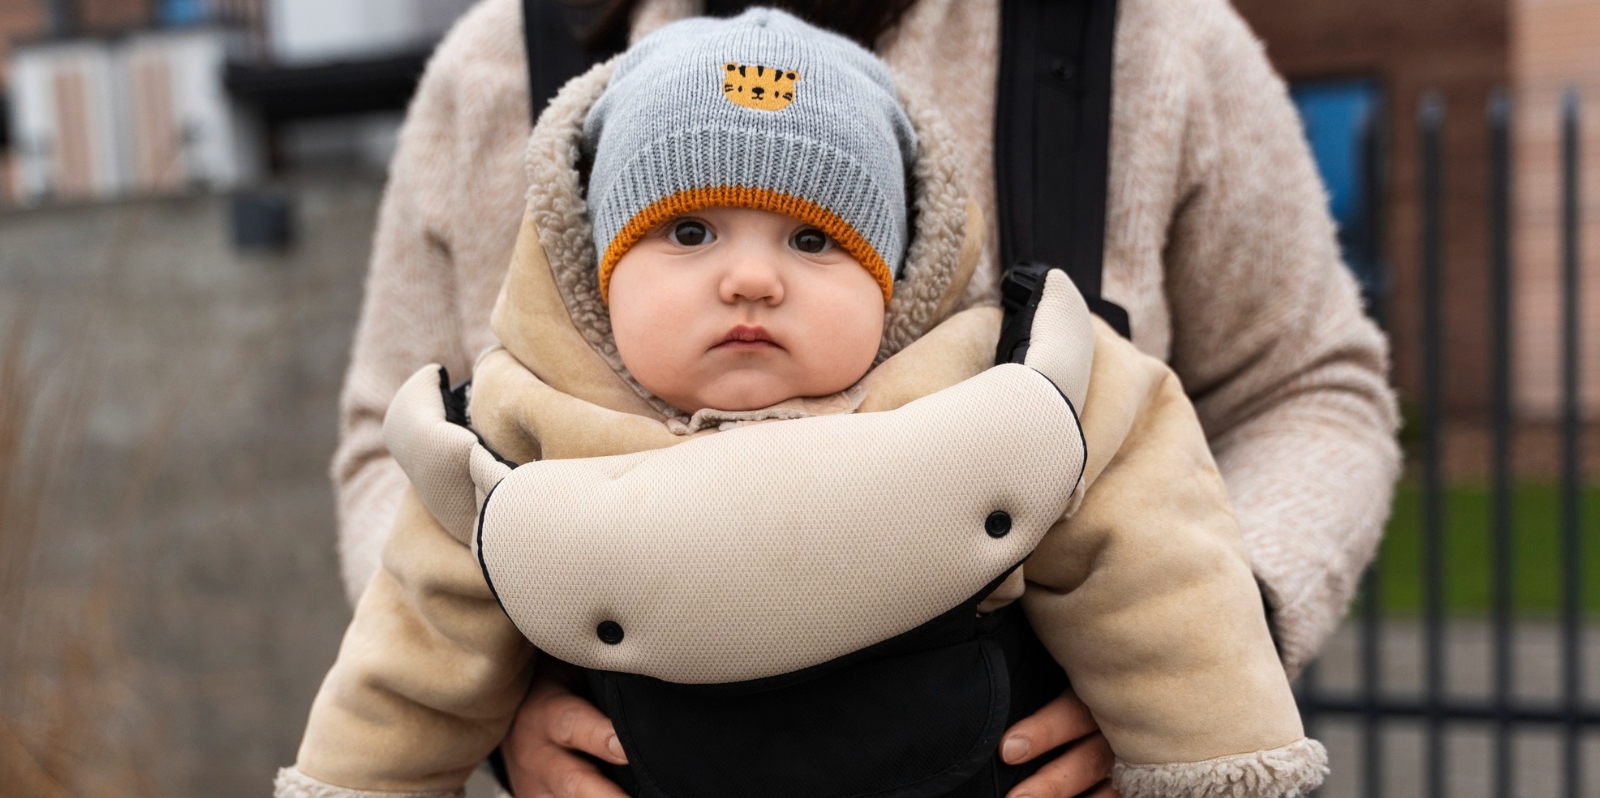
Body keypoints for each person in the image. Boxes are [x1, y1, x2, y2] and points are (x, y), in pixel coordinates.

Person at [329, 1, 1400, 796]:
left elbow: (1309, 389)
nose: (751, 279)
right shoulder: (498, 67)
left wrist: (1187, 658)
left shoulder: (1145, 39)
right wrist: (495, 694)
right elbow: (400, 447)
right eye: (689, 236)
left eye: (807, 245)